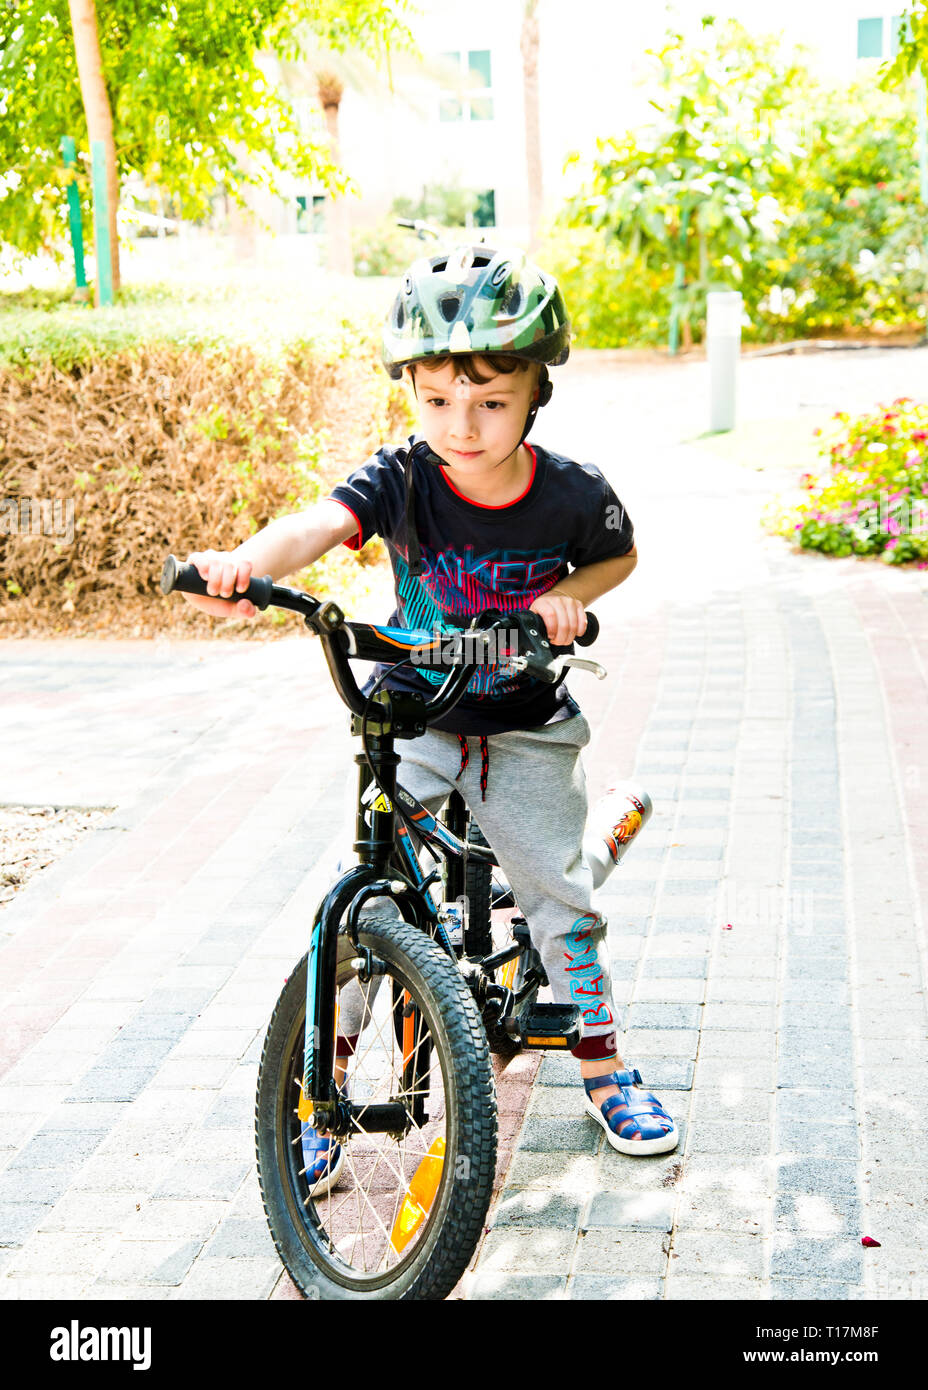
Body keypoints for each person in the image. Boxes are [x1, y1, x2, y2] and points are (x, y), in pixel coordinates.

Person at [182, 243, 678, 1192]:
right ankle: (316, 1086)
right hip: (418, 718)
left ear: (536, 392)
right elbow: (319, 525)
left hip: (526, 724)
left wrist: (569, 597)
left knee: (556, 900)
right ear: (411, 390)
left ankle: (606, 1068)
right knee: (359, 897)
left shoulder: (572, 490)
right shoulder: (404, 479)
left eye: (492, 401)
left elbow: (621, 558)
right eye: (439, 399)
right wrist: (248, 563)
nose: (464, 425)